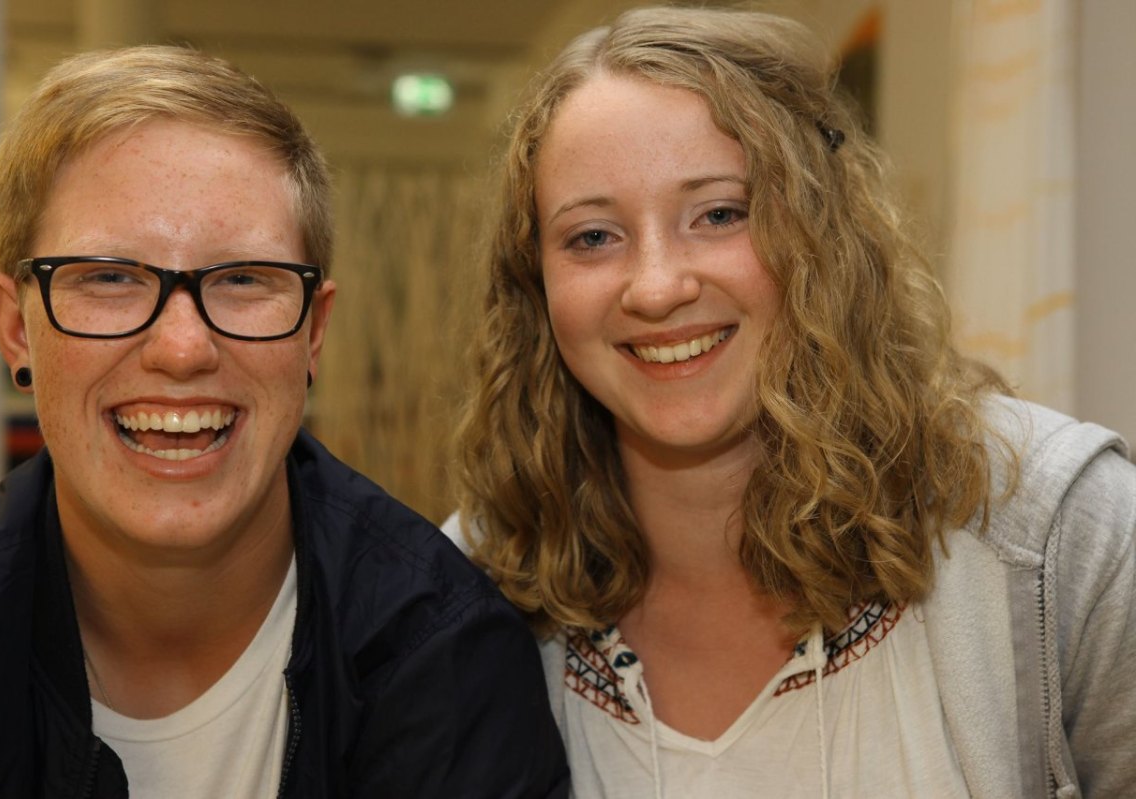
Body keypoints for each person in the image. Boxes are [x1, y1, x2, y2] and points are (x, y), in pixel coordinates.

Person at [443, 7, 1136, 798]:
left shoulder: (1058, 537)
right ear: (536, 285)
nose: (660, 286)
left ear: (823, 235)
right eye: (594, 236)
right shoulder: (468, 585)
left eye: (720, 214)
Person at [0, 45, 568, 798]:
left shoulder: (446, 656)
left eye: (242, 279)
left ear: (315, 332)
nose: (181, 347)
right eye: (108, 277)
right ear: (15, 330)